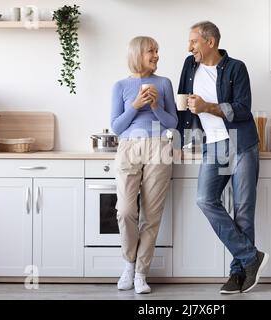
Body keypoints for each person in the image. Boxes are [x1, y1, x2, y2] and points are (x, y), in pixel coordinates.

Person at [177, 21, 269, 294]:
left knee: (243, 210)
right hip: (213, 145)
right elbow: (183, 103)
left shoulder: (236, 68)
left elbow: (243, 109)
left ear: (210, 42)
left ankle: (238, 274)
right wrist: (182, 137)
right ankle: (251, 257)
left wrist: (208, 107)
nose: (189, 47)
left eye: (193, 41)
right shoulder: (189, 65)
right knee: (205, 199)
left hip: (241, 142)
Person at [110, 36, 178, 294]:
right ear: (138, 54)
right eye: (152, 51)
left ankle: (140, 273)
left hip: (159, 146)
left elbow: (172, 122)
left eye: (157, 51)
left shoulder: (164, 83)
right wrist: (136, 106)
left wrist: (156, 105)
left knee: (151, 216)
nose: (157, 55)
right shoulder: (120, 86)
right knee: (126, 211)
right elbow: (117, 126)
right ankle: (129, 264)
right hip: (129, 147)